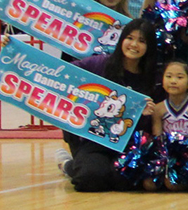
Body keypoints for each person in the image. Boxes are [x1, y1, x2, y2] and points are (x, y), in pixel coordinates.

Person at [63, 18, 156, 192]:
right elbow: (62, 71)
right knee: (90, 179)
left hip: (130, 143)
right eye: (130, 38)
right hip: (95, 141)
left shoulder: (152, 77)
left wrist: (146, 115)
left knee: (128, 182)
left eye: (142, 41)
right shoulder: (99, 64)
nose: (134, 45)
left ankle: (84, 166)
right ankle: (71, 165)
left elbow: (151, 125)